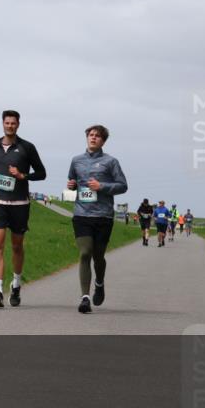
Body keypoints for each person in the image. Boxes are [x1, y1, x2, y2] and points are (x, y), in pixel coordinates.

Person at [0, 110, 47, 307]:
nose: (10, 126)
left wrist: (23, 175)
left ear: (18, 125)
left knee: (16, 245)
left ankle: (16, 284)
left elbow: (42, 173)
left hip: (19, 203)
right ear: (2, 124)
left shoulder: (27, 147)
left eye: (13, 123)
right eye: (7, 123)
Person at [66, 125, 128, 314]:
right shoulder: (76, 161)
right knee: (85, 253)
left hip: (103, 215)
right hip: (82, 214)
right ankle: (85, 297)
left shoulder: (111, 162)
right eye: (90, 135)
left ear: (103, 141)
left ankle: (99, 283)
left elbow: (123, 186)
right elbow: (72, 183)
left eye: (97, 136)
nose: (93, 138)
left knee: (98, 256)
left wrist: (101, 186)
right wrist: (72, 185)